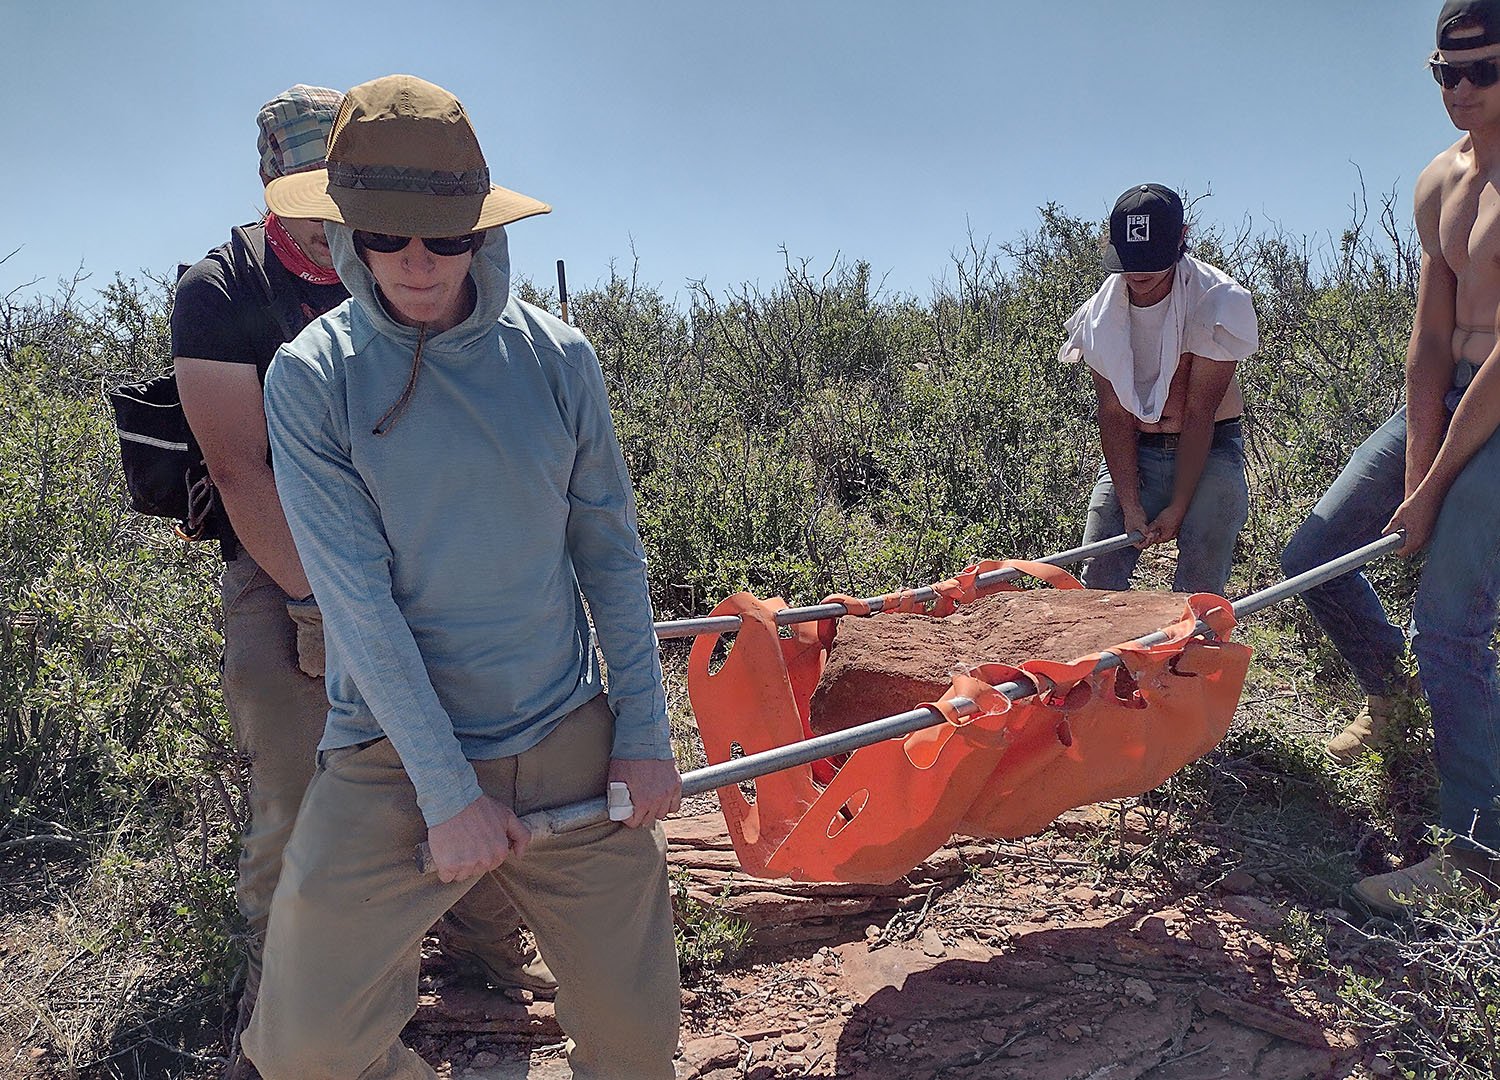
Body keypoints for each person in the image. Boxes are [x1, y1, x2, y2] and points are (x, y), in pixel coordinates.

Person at [240, 75, 682, 1080]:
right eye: (385, 235)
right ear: (346, 232)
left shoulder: (559, 360)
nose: (415, 261)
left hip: (563, 730)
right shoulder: (311, 377)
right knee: (306, 1050)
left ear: (479, 231)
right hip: (393, 755)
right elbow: (357, 606)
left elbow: (611, 557)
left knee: (635, 1043)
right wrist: (447, 795)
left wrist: (645, 735)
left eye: (443, 237)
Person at [170, 84, 552, 1080]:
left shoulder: (392, 254)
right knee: (302, 798)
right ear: (271, 186)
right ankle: (288, 1018)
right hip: (285, 571)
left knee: (476, 750)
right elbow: (240, 471)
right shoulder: (222, 289)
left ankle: (486, 962)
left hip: (426, 559)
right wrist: (325, 607)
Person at [1281, 0, 1500, 912]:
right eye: (1445, 72)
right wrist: (1415, 468)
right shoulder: (1439, 180)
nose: (1460, 88)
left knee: (1449, 625)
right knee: (1314, 553)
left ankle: (1478, 857)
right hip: (1452, 392)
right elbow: (1429, 343)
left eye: (1483, 70)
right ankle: (1392, 702)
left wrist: (1437, 486)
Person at [1060, 183, 1259, 596]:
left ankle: (1194, 638)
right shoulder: (1098, 317)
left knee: (1198, 587)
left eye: (1152, 258)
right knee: (1098, 578)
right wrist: (1130, 504)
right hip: (1136, 450)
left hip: (1211, 448)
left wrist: (1178, 507)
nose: (1139, 273)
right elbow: (1113, 413)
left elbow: (1200, 412)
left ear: (1182, 237)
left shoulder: (1217, 301)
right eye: (1130, 260)